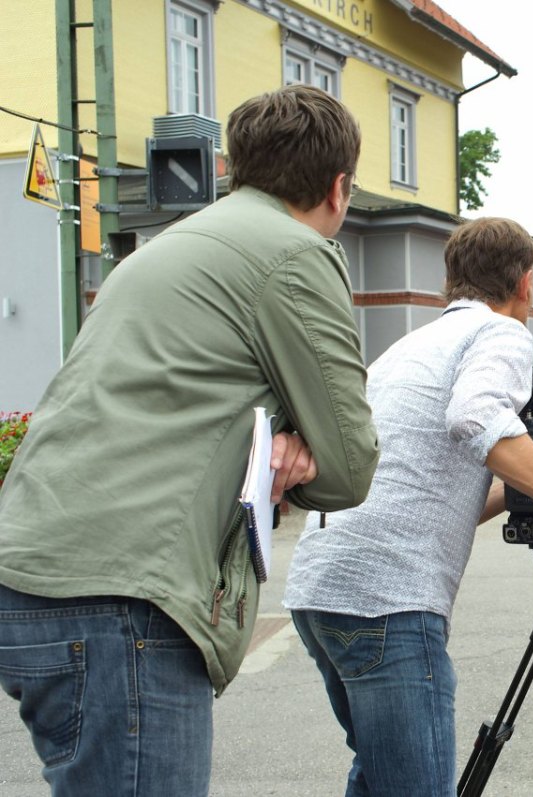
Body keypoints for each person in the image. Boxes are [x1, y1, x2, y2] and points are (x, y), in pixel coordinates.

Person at [0, 85, 380, 795]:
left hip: (32, 573)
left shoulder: (164, 249)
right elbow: (350, 467)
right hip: (124, 596)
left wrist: (280, 433)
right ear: (338, 189)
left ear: (235, 168)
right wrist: (298, 445)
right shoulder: (297, 253)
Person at [284, 217, 533, 796]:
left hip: (321, 590)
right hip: (388, 601)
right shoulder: (501, 333)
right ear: (526, 282)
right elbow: (477, 418)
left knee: (379, 777)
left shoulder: (409, 347)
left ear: (451, 281)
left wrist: (527, 492)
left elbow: (425, 491)